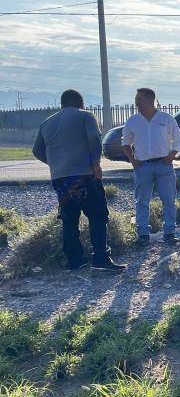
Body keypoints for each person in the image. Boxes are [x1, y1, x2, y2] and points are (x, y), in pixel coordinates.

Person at [31, 90, 125, 272]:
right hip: (84, 175)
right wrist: (96, 163)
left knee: (69, 218)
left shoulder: (47, 122)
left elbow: (37, 150)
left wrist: (55, 164)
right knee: (98, 215)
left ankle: (74, 260)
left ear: (62, 104)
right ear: (81, 104)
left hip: (60, 179)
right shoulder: (86, 116)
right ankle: (100, 259)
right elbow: (93, 138)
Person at [122, 88, 180, 246]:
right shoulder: (133, 121)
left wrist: (171, 156)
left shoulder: (166, 118)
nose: (137, 102)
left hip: (164, 166)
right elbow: (125, 143)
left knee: (169, 200)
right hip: (143, 166)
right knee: (142, 201)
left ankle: (169, 232)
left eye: (140, 99)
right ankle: (143, 234)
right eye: (136, 99)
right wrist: (133, 161)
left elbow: (178, 140)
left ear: (151, 101)